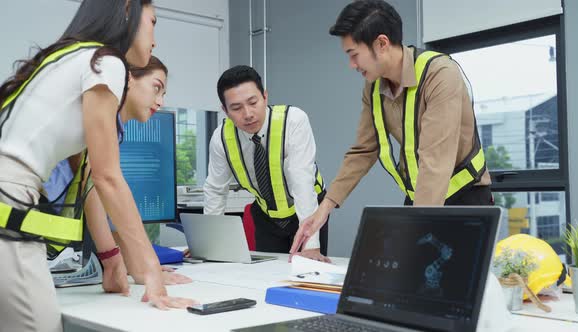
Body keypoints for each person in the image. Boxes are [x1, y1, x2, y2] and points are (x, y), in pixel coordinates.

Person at [0, 1, 194, 331]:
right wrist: (151, 273)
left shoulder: (69, 57)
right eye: (154, 22)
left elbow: (87, 178)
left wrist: (114, 261)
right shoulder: (106, 62)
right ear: (129, 11)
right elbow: (107, 177)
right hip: (10, 198)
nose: (155, 39)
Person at [290, 0, 493, 255]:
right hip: (420, 199)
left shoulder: (440, 73)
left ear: (382, 43)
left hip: (465, 200)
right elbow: (363, 151)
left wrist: (418, 231)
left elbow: (435, 161)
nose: (352, 65)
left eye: (354, 54)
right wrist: (324, 209)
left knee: (455, 286)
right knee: (413, 284)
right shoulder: (374, 87)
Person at [44, 55, 191, 286]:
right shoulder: (99, 117)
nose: (160, 101)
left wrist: (138, 264)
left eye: (164, 95)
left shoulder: (112, 127)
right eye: (156, 88)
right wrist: (137, 266)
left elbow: (96, 197)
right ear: (129, 78)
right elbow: (98, 192)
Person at [202, 65, 330, 262]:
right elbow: (216, 190)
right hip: (266, 217)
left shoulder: (293, 121)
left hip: (307, 211)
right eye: (236, 108)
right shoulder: (221, 138)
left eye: (253, 102)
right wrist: (210, 245)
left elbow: (302, 182)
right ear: (225, 110)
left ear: (265, 96)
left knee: (308, 272)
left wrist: (311, 244)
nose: (248, 114)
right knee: (267, 276)